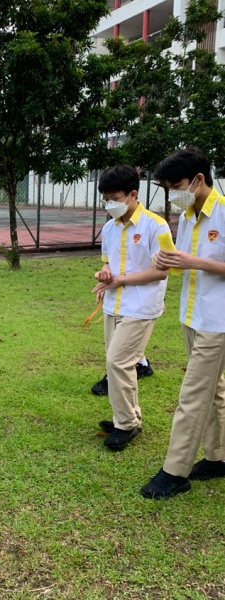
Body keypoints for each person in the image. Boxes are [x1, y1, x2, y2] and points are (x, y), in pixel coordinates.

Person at [140, 147, 225, 499]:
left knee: (192, 395)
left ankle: (175, 471)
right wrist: (170, 259)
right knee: (216, 391)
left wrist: (191, 260)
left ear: (199, 180)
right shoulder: (189, 214)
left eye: (176, 186)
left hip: (218, 321)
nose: (171, 195)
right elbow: (186, 263)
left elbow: (200, 262)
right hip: (193, 315)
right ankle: (219, 457)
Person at [92, 166, 170, 450]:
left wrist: (120, 279)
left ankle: (127, 425)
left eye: (114, 197)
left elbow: (161, 272)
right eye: (105, 199)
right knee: (115, 364)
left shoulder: (156, 226)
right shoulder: (109, 227)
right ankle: (124, 417)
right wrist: (105, 275)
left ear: (133, 194)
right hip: (113, 305)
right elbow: (106, 262)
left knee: (119, 362)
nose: (108, 204)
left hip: (141, 306)